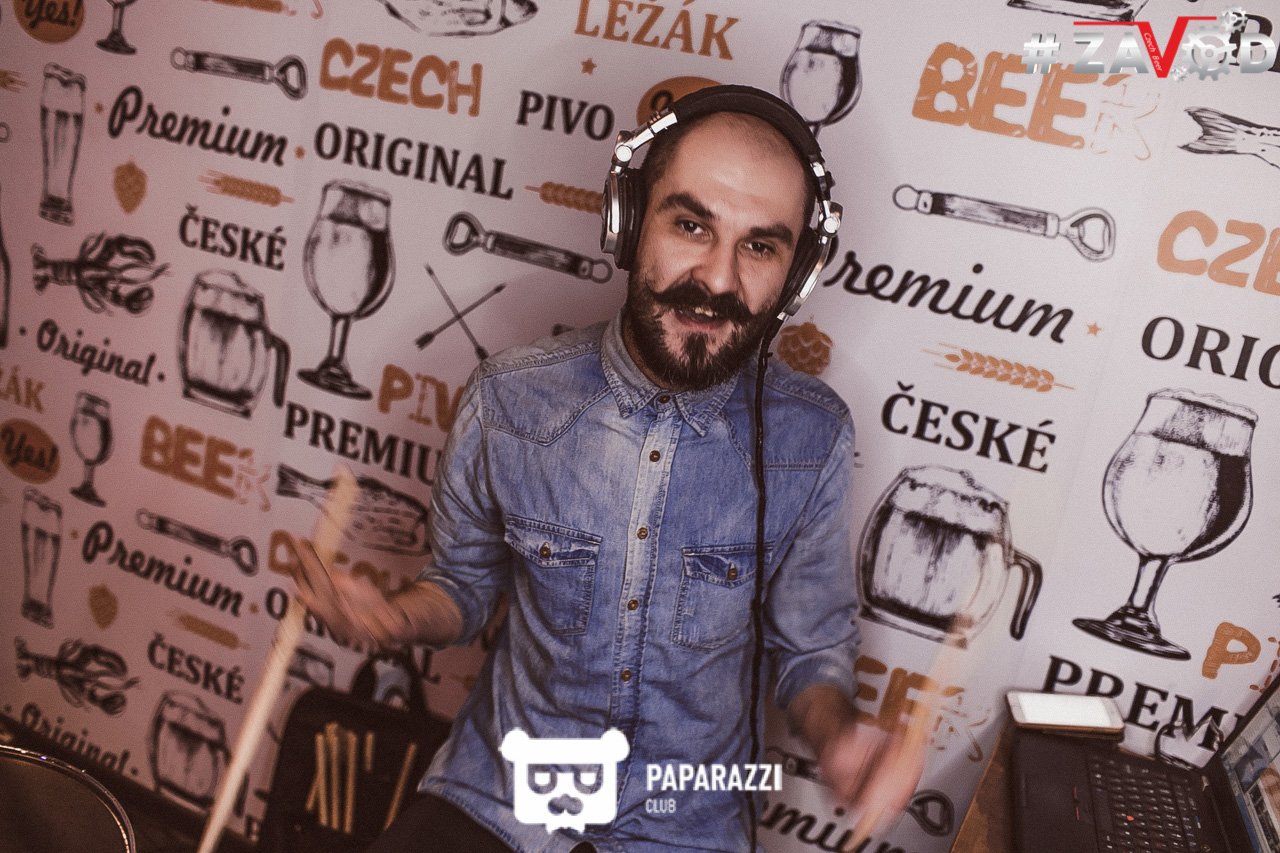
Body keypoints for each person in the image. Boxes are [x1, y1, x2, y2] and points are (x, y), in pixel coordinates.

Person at [292, 85, 924, 852]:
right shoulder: (508, 398)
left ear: (796, 275)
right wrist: (393, 617)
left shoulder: (812, 438)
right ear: (628, 221)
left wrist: (841, 738)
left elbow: (809, 650)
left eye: (760, 246)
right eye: (691, 225)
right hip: (502, 798)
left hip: (685, 827)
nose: (719, 280)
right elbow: (461, 587)